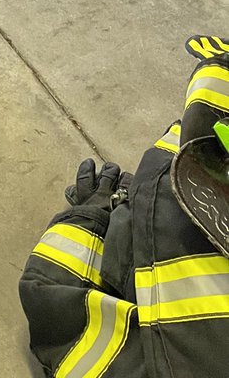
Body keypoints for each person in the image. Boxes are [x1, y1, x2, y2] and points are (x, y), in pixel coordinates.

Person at [19, 35, 229, 376]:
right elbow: (52, 305)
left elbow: (60, 318)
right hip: (180, 188)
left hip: (182, 188)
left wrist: (89, 224)